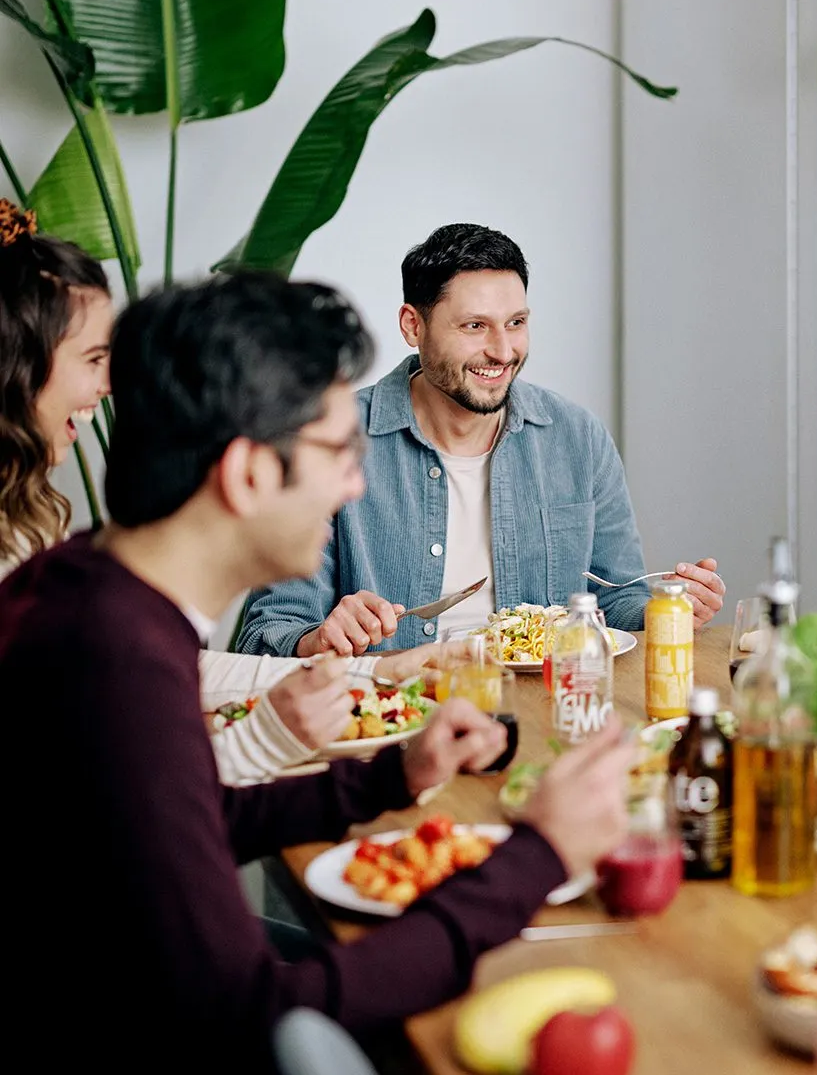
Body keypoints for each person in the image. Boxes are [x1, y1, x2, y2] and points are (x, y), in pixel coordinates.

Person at [1, 272, 634, 1069]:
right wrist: (538, 859)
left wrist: (387, 780)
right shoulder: (117, 664)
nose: (356, 484)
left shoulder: (84, 586)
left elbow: (177, 824)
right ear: (248, 475)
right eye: (338, 452)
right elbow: (253, 1014)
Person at [0, 199, 439, 785]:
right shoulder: (100, 628)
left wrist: (373, 676)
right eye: (92, 358)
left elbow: (176, 690)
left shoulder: (71, 568)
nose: (110, 387)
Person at [236, 223, 726, 657]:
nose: (503, 350)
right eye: (475, 327)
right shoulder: (329, 441)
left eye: (516, 323)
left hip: (542, 706)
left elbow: (615, 600)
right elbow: (266, 631)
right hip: (400, 712)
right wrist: (320, 638)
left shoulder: (577, 438)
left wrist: (670, 606)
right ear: (414, 326)